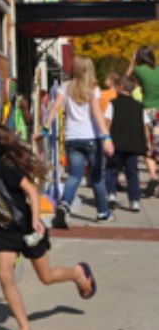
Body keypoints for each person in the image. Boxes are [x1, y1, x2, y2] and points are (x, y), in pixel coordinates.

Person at [0, 117, 96, 330]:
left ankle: (77, 273)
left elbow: (32, 192)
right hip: (4, 232)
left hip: (28, 229)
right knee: (4, 276)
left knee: (46, 277)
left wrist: (36, 219)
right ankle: (25, 329)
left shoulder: (5, 165)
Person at [42, 55, 115, 228]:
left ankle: (65, 204)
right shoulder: (93, 89)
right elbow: (97, 114)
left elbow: (55, 107)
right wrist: (107, 137)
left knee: (75, 175)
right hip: (91, 138)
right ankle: (102, 213)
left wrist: (45, 128)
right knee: (97, 177)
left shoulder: (65, 87)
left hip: (71, 138)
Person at [105, 75, 152, 212]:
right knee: (132, 173)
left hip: (116, 143)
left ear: (121, 87)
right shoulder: (139, 106)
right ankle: (134, 201)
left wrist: (106, 139)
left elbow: (107, 122)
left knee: (112, 170)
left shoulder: (113, 103)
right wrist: (147, 142)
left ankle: (112, 195)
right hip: (134, 144)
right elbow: (146, 125)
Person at [127, 45, 159, 197]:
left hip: (146, 112)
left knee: (148, 146)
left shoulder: (139, 70)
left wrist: (132, 61)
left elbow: (126, 80)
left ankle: (153, 176)